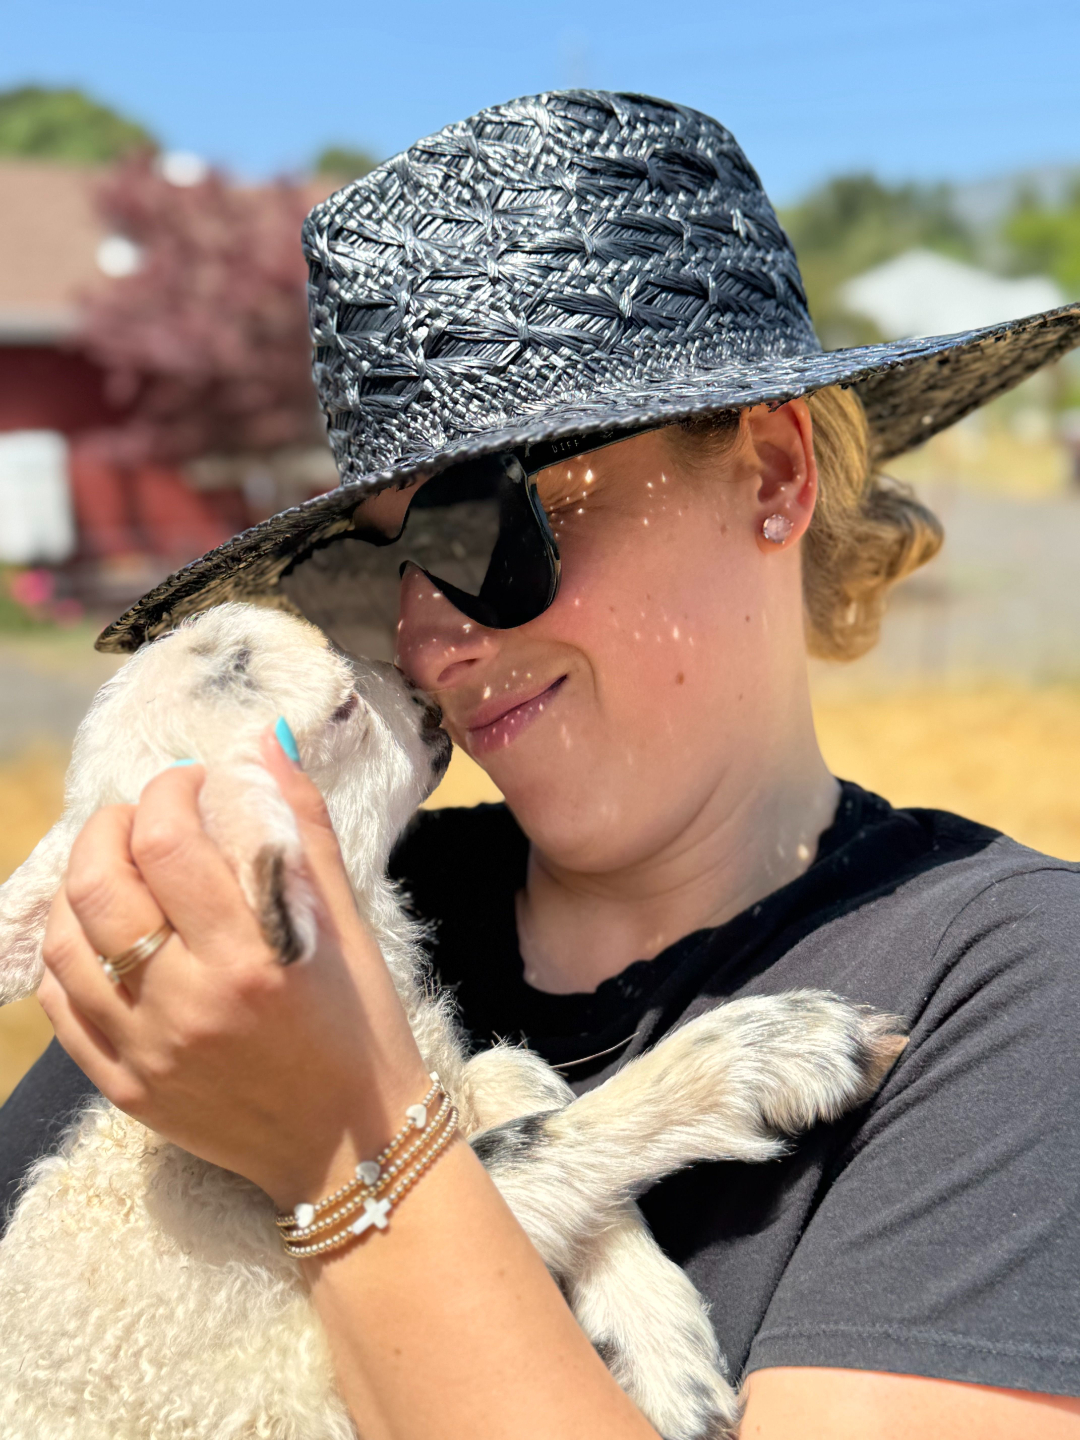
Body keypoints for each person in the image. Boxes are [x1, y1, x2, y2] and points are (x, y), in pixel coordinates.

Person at [3, 91, 1080, 1439]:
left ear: (770, 473)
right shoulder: (315, 905)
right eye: (377, 567)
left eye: (484, 527)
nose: (425, 640)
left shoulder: (1013, 991)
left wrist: (340, 1139)